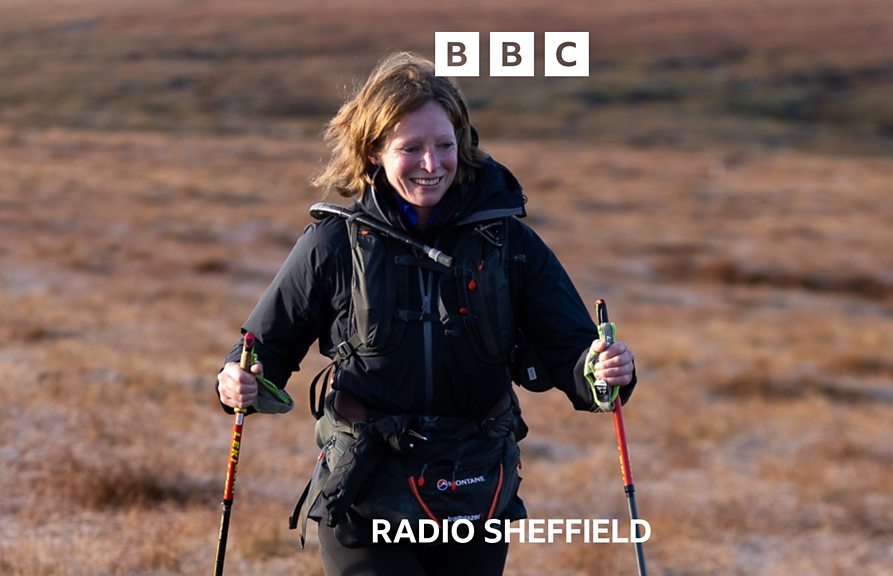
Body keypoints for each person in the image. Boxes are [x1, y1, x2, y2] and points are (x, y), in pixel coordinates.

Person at [216, 51, 637, 576]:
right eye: (410, 148)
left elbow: (574, 352)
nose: (432, 165)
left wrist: (604, 370)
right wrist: (238, 380)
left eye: (444, 145)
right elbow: (262, 349)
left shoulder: (509, 244)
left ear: (463, 143)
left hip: (474, 489)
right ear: (373, 151)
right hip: (364, 489)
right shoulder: (333, 243)